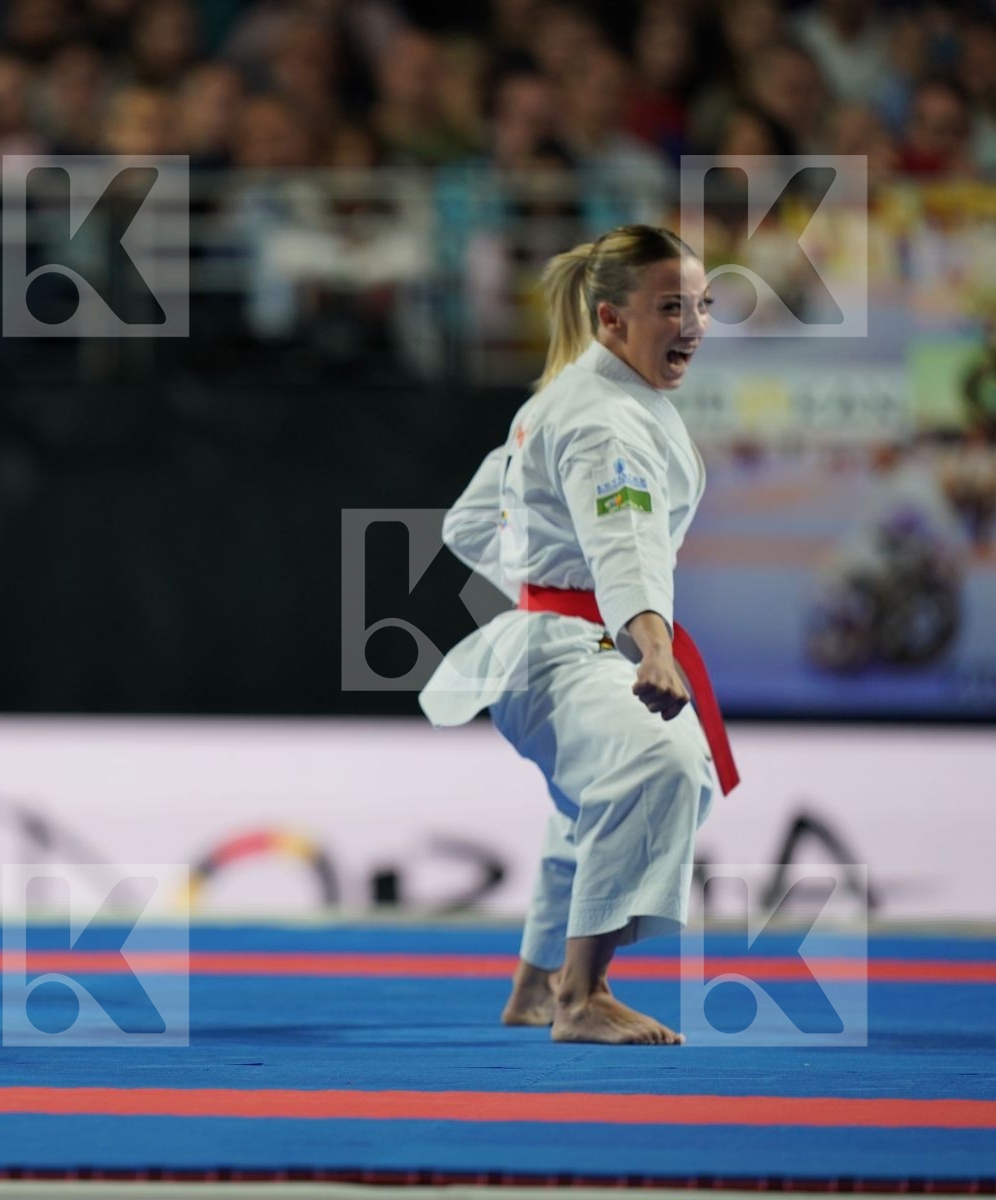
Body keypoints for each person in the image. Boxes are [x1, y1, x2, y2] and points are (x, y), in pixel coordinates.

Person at [420, 224, 739, 1046]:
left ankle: (534, 985)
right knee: (659, 764)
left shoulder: (569, 397)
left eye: (702, 305)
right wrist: (647, 641)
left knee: (584, 809)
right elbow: (623, 544)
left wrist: (541, 583)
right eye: (671, 307)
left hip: (551, 635)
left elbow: (467, 524)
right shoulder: (604, 421)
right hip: (574, 645)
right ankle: (582, 995)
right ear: (611, 320)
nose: (694, 325)